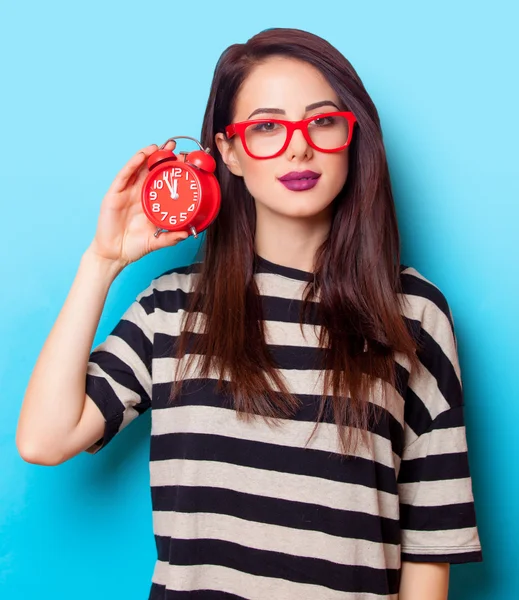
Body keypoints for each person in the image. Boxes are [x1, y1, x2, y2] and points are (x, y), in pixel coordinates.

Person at [17, 27, 483, 600]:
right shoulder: (172, 310)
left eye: (322, 121)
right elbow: (44, 438)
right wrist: (102, 261)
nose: (298, 147)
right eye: (266, 126)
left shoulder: (412, 314)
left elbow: (432, 543)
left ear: (351, 135)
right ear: (229, 153)